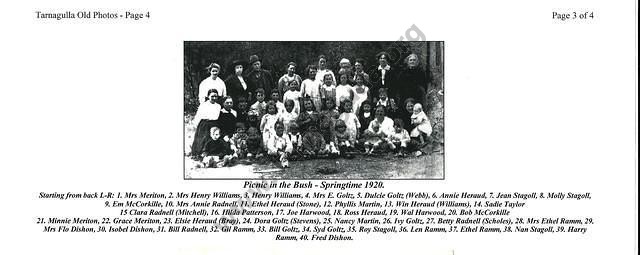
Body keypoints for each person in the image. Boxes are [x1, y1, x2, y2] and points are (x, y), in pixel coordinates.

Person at [191, 89, 221, 156]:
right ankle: (200, 154)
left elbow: (217, 116)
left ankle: (213, 154)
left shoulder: (218, 106)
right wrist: (196, 125)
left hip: (214, 124)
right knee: (203, 140)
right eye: (212, 96)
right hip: (204, 124)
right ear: (208, 96)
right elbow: (198, 115)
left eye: (216, 96)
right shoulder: (203, 105)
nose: (214, 98)